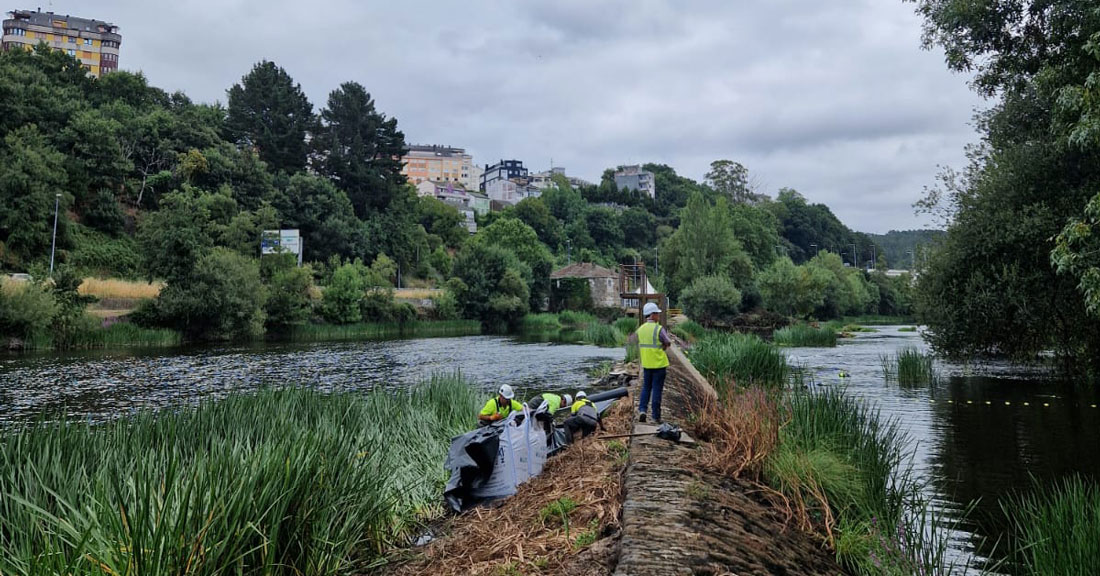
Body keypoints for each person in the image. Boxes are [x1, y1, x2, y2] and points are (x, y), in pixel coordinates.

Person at [635, 302, 671, 423]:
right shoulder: (658, 328)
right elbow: (667, 342)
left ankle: (642, 410)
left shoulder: (640, 329)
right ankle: (655, 416)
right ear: (652, 315)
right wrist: (664, 346)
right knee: (657, 390)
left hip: (646, 364)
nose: (658, 316)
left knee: (646, 388)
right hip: (659, 365)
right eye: (657, 313)